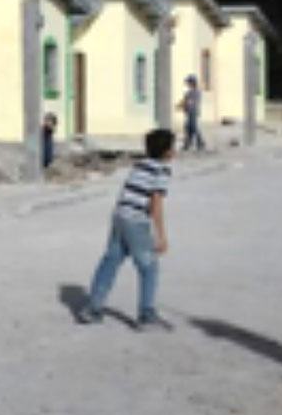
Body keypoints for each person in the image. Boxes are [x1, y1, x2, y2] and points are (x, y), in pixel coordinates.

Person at [77, 129, 175, 330]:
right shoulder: (161, 171)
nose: (175, 150)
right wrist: (161, 235)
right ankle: (146, 315)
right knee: (149, 267)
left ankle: (93, 309)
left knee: (111, 260)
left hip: (120, 216)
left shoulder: (140, 165)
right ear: (166, 151)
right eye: (173, 147)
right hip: (136, 220)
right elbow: (156, 203)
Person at [178, 75, 206, 152]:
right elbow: (185, 101)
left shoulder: (195, 92)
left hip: (192, 111)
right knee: (189, 128)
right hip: (190, 111)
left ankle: (199, 143)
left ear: (192, 83)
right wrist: (182, 105)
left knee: (193, 128)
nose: (187, 84)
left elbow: (190, 102)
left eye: (188, 82)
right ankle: (188, 144)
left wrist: (184, 105)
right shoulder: (190, 92)